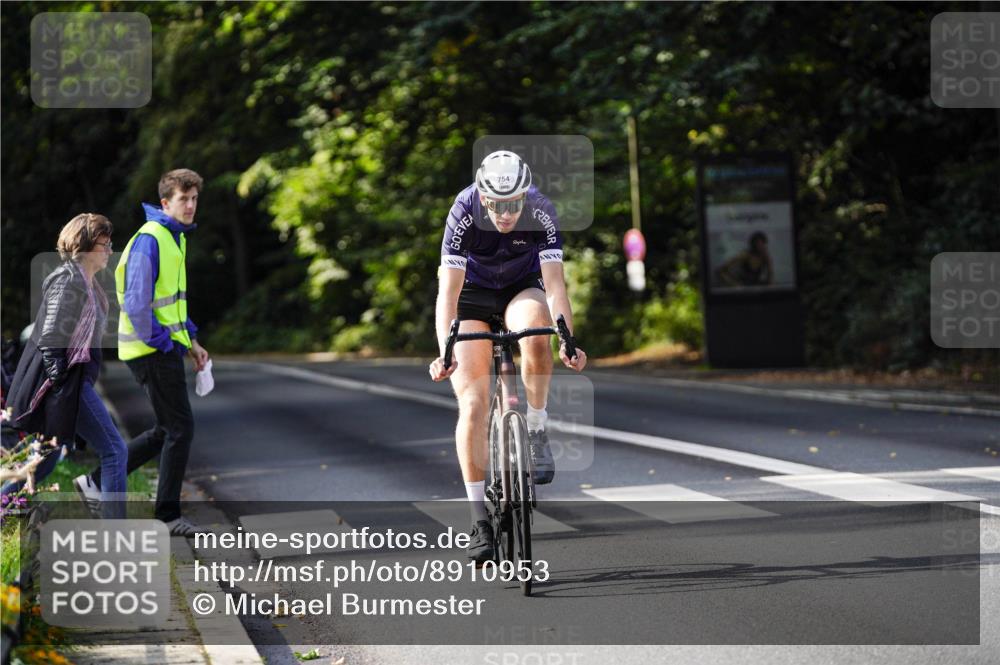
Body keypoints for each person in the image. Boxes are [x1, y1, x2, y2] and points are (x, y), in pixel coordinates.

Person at [428, 150, 587, 563]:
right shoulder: (463, 209)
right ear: (483, 197)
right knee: (475, 403)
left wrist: (567, 339)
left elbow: (554, 286)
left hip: (521, 287)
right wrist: (445, 349)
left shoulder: (540, 209)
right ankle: (479, 520)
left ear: (525, 195)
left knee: (537, 335)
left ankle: (535, 428)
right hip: (472, 297)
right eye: (497, 205)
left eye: (514, 203)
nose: (505, 213)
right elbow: (448, 290)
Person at [73, 169, 211, 536]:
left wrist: (191, 342)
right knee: (180, 429)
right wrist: (167, 344)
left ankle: (97, 482)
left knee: (169, 429)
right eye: (184, 199)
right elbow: (136, 304)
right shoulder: (152, 238)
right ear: (165, 203)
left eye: (195, 198)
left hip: (159, 346)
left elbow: (174, 305)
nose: (191, 205)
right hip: (150, 348)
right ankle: (166, 516)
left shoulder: (174, 238)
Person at [6, 214, 127, 518]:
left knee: (44, 460)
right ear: (85, 245)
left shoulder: (87, 283)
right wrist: (63, 386)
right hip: (66, 386)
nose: (110, 251)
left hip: (72, 384)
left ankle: (2, 506)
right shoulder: (67, 280)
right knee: (115, 451)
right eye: (105, 244)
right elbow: (50, 338)